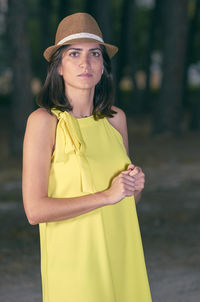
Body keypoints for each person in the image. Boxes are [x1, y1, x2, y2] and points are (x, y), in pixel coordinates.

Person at [22, 12, 152, 302]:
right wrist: (106, 195)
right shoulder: (44, 122)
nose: (85, 63)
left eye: (94, 54)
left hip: (122, 251)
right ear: (58, 67)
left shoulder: (116, 119)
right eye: (74, 54)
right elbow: (34, 210)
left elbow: (125, 199)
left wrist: (134, 189)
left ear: (103, 66)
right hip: (75, 263)